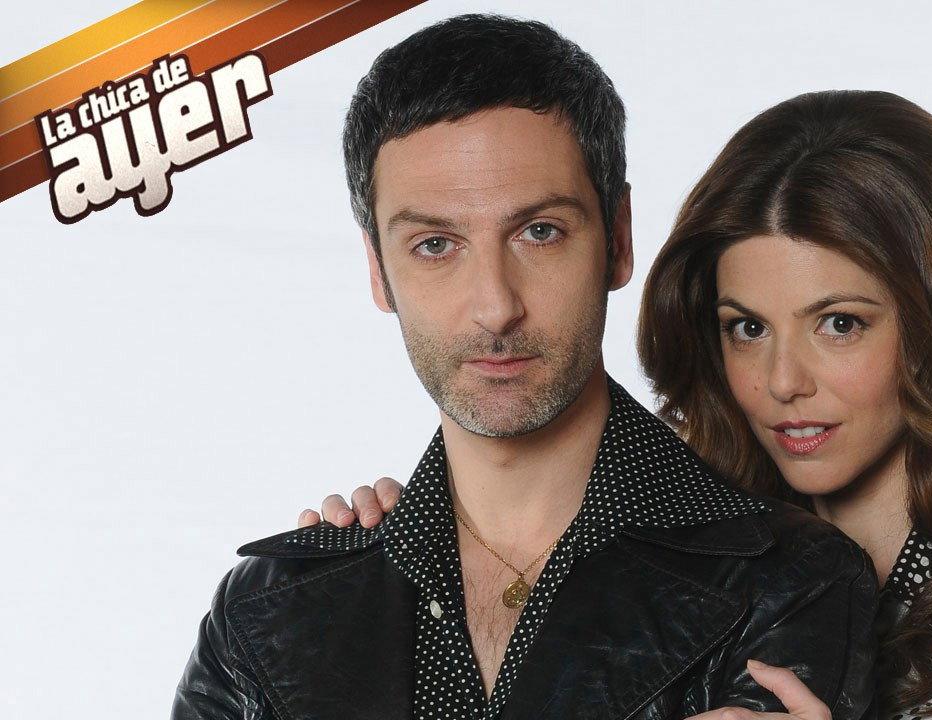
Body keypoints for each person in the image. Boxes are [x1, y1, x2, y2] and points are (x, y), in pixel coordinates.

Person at [313, 91, 932, 719]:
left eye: (839, 323)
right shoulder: (659, 544)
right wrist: (419, 550)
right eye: (747, 327)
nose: (783, 380)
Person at [170, 15, 880, 720]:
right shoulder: (266, 615)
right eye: (435, 245)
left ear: (618, 240)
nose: (495, 307)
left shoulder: (790, 584)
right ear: (379, 271)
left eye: (539, 232)